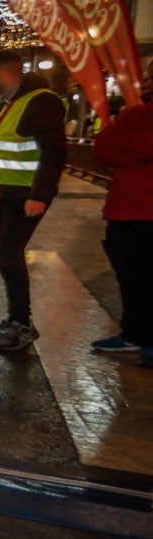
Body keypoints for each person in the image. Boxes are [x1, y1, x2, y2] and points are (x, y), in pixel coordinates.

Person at [0, 50, 66, 354]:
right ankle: (14, 320)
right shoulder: (2, 105)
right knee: (7, 257)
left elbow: (54, 153)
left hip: (21, 198)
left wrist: (40, 195)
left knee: (7, 255)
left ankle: (22, 324)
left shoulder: (41, 101)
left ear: (5, 72)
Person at [91, 78, 153, 365]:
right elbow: (102, 146)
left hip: (140, 210)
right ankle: (136, 334)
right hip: (126, 211)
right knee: (131, 278)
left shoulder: (135, 117)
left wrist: (127, 145)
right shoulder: (137, 114)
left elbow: (120, 146)